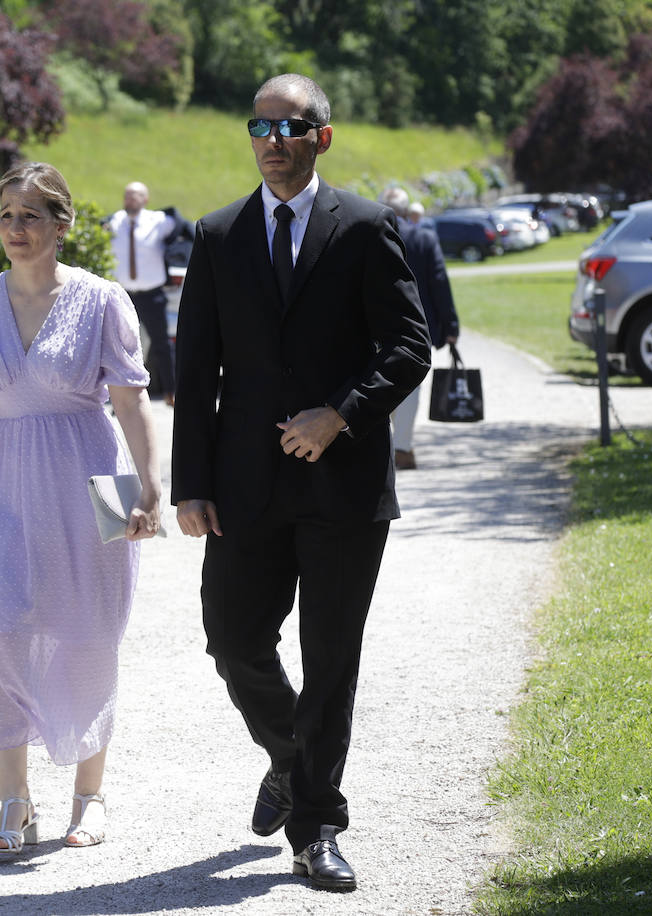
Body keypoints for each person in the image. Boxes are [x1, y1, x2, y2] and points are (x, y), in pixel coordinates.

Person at [171, 74, 430, 892]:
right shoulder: (216, 236)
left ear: (322, 135)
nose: (273, 139)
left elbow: (407, 347)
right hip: (245, 487)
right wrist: (190, 485)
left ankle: (317, 826)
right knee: (232, 638)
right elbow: (196, 369)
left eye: (290, 126)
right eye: (261, 125)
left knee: (330, 660)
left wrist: (341, 414)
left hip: (344, 488)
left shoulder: (366, 227)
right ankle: (292, 754)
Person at [0, 161, 162, 855]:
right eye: (6, 215)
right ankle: (13, 800)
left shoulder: (104, 299)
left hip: (101, 477)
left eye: (30, 215)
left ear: (63, 225)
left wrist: (149, 486)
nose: (16, 228)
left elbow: (131, 399)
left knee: (94, 632)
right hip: (4, 485)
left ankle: (90, 795)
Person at [380, 186, 460, 470]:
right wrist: (450, 325)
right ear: (406, 211)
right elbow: (439, 283)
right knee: (409, 387)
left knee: (378, 383)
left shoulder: (367, 236)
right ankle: (402, 448)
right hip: (417, 325)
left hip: (375, 326)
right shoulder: (424, 238)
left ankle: (384, 446)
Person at [107, 181, 179, 406]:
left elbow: (182, 229)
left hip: (151, 294)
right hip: (122, 293)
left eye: (136, 196)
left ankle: (171, 391)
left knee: (161, 343)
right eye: (127, 195)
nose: (131, 199)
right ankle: (116, 393)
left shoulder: (158, 221)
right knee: (115, 344)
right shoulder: (115, 221)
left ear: (145, 199)